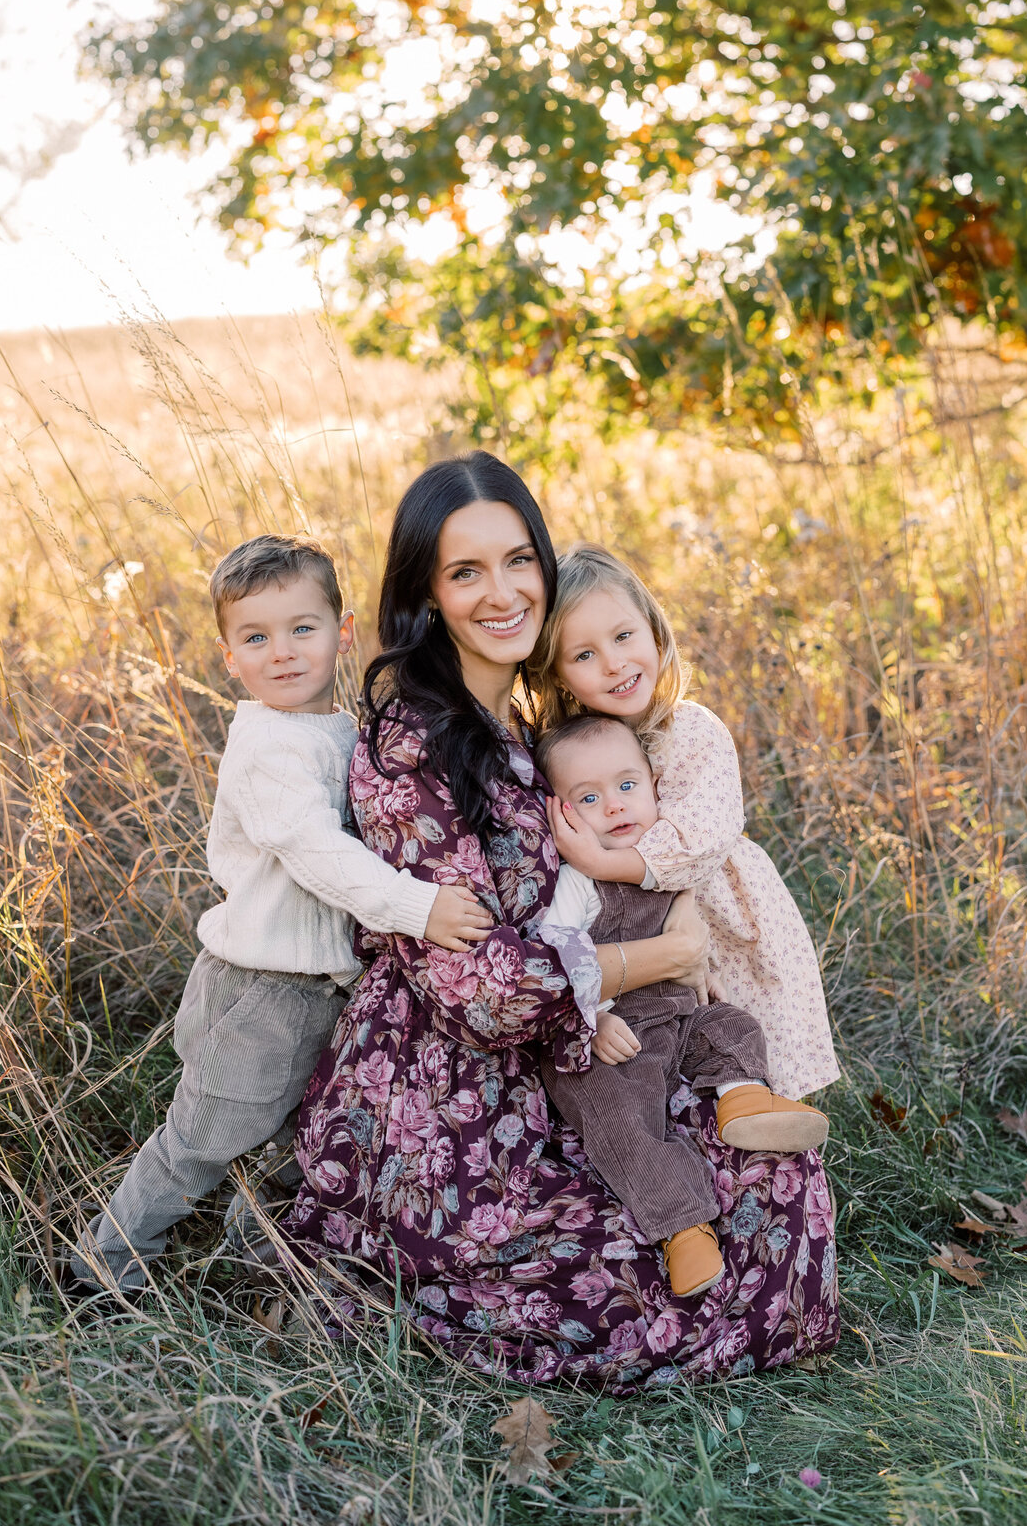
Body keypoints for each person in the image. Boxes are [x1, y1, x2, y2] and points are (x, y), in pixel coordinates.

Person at [283, 454, 840, 1388]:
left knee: (779, 1184)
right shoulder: (410, 741)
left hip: (588, 1048)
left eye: (517, 562)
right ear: (427, 592)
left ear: (545, 563)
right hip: (457, 1092)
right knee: (643, 1275)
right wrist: (665, 953)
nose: (500, 593)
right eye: (465, 573)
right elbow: (478, 992)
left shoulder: (542, 725)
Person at [69, 533, 490, 1295]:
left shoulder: (336, 728)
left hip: (316, 991)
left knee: (304, 1135)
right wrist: (417, 908)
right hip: (261, 990)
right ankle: (107, 1264)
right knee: (201, 1140)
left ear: (345, 631)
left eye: (303, 628)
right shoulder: (268, 749)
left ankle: (254, 1253)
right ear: (229, 657)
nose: (283, 653)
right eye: (256, 638)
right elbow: (314, 850)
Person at [531, 713, 828, 1300]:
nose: (615, 806)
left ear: (651, 783)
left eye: (627, 785)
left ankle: (742, 1099)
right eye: (588, 797)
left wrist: (705, 977)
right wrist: (589, 1021)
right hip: (615, 1034)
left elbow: (695, 937)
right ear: (562, 815)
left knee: (732, 1024)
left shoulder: (663, 859)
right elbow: (559, 952)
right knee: (622, 1120)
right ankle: (683, 1230)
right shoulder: (575, 882)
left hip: (677, 1015)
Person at [529, 543, 841, 1100]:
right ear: (556, 675)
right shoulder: (567, 753)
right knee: (660, 1047)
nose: (614, 663)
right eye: (584, 655)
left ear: (653, 629)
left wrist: (603, 861)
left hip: (716, 913)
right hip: (626, 935)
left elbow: (702, 836)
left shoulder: (691, 730)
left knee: (735, 1022)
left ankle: (759, 1111)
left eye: (624, 637)